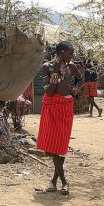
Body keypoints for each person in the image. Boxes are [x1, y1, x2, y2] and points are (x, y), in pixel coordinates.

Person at [36, 41, 82, 195]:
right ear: (62, 52)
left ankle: (55, 181)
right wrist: (55, 72)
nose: (72, 55)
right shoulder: (47, 67)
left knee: (60, 146)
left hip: (66, 108)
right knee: (51, 147)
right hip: (51, 108)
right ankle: (63, 181)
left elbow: (80, 78)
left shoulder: (71, 67)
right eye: (70, 52)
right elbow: (49, 92)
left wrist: (76, 88)